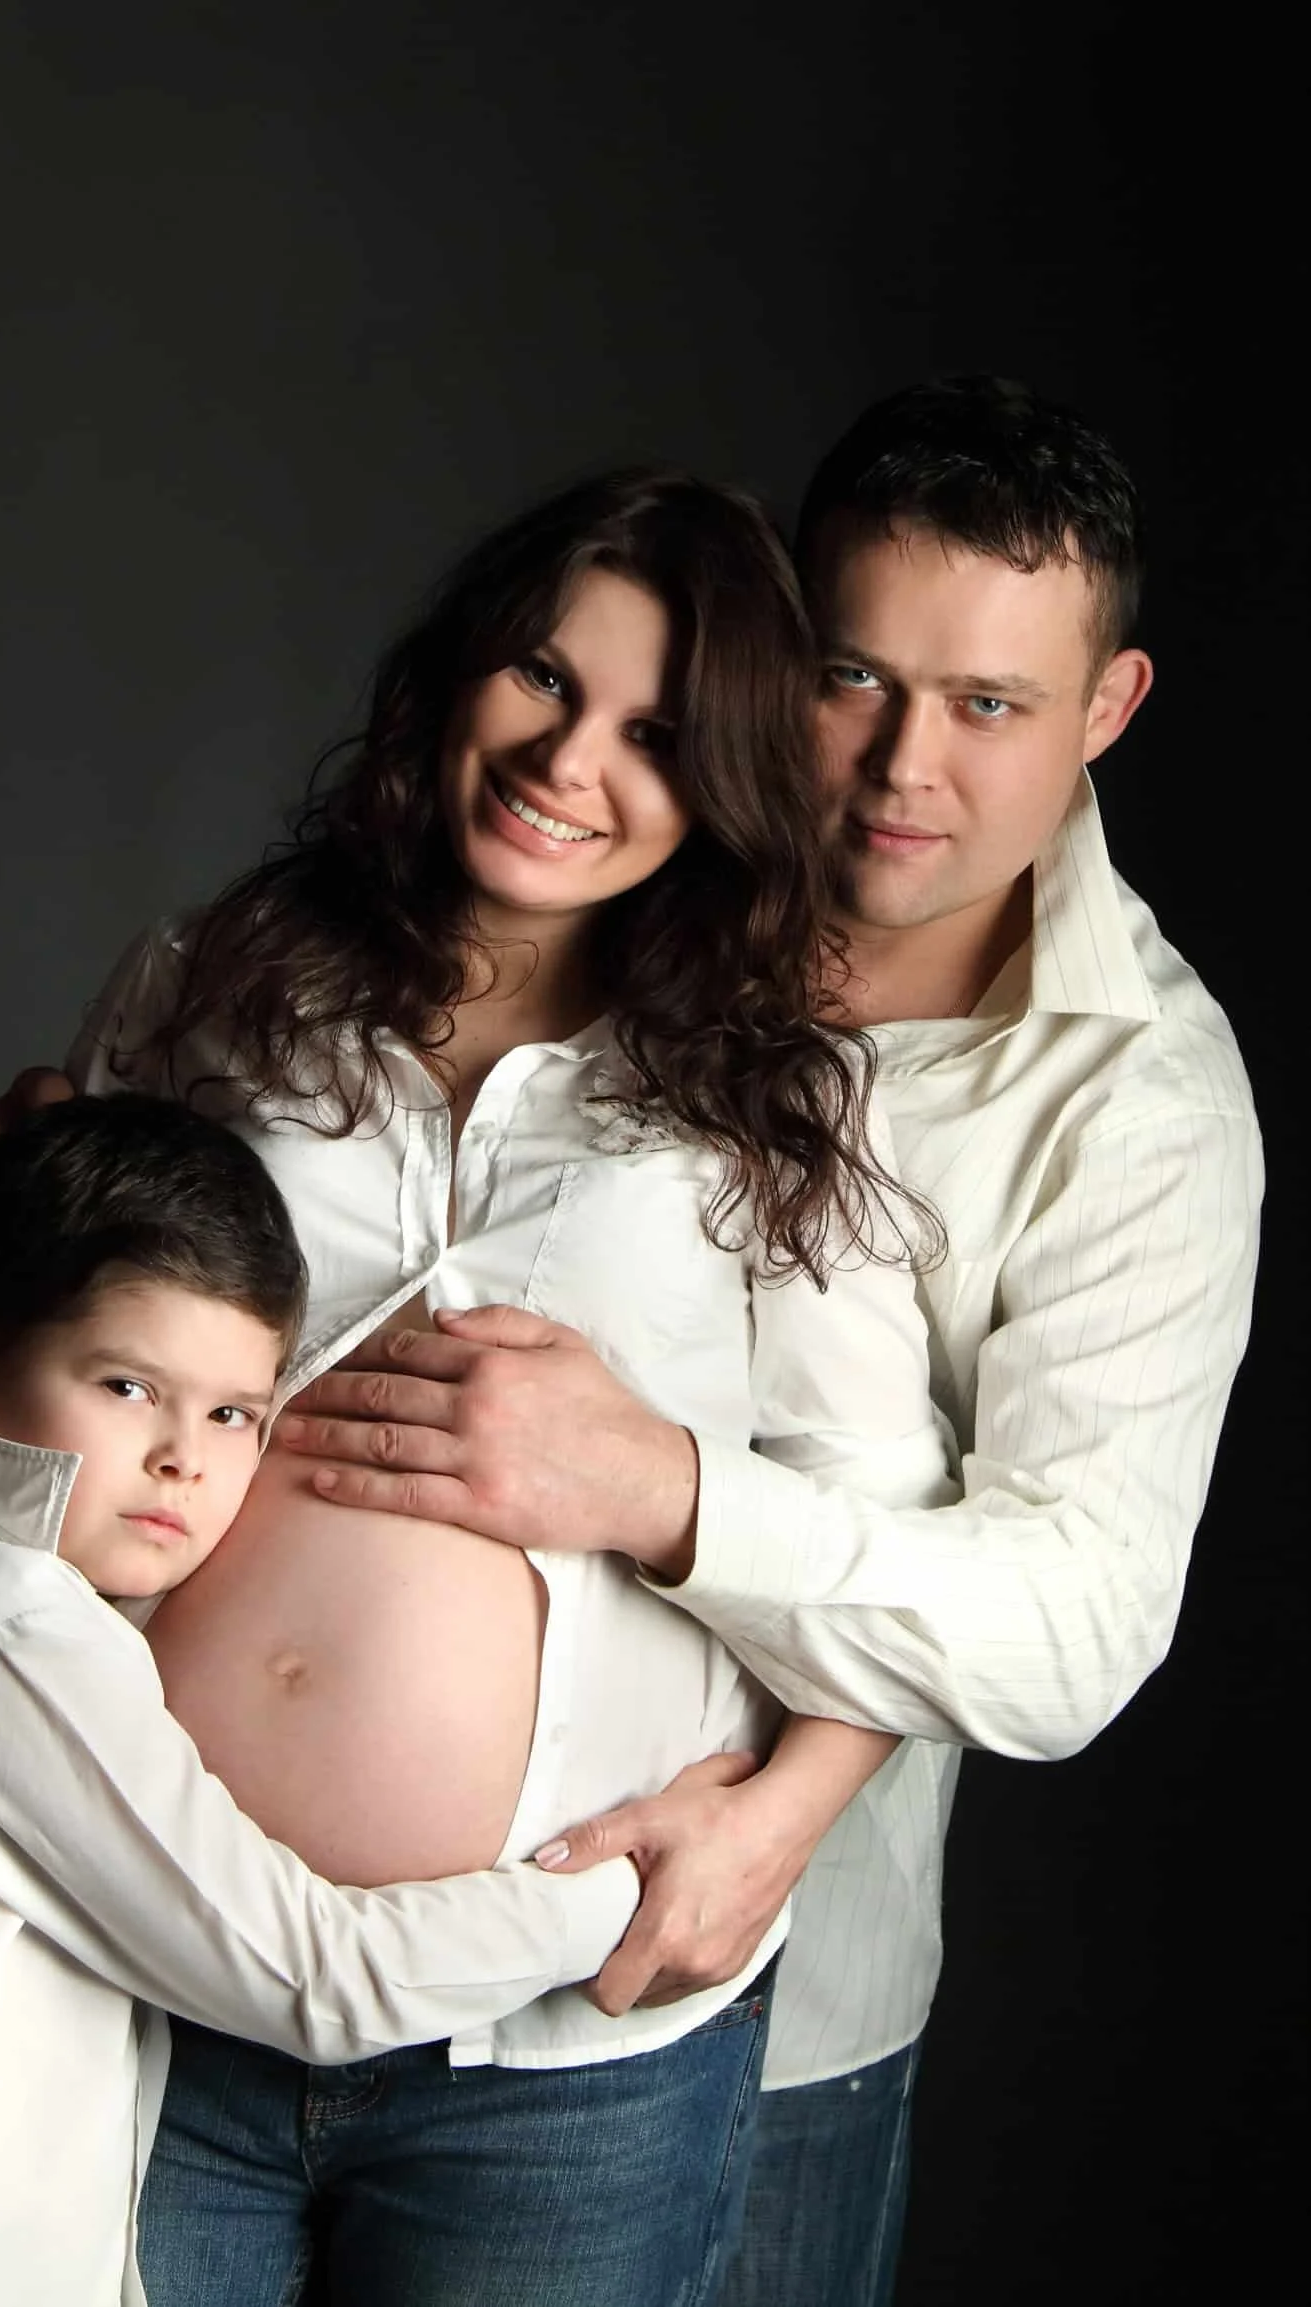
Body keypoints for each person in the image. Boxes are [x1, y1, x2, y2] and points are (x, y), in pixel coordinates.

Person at [274, 379, 1263, 2304]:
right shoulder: (619, 861)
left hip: (741, 1975)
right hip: (270, 1940)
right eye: (853, 677)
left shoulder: (1142, 1102)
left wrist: (686, 1541)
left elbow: (1071, 1615)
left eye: (991, 704)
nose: (904, 765)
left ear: (1108, 711)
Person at [0, 468, 956, 2307]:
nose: (573, 759)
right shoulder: (217, 990)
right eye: (541, 679)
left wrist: (772, 1821)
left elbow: (890, 1543)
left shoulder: (777, 1110)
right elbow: (31, 1371)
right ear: (459, 675)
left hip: (558, 2044)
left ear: (725, 780)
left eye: (657, 732)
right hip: (138, 1957)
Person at [0, 1093, 642, 2307]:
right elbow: (315, 1975)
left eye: (232, 1412)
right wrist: (625, 1889)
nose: (183, 1459)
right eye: (128, 1388)